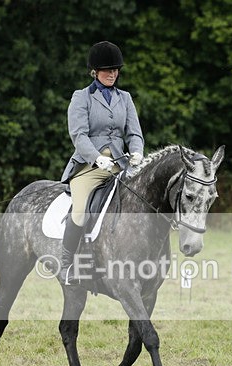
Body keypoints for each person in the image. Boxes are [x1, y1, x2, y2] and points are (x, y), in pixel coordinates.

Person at [58, 40, 144, 285]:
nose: (113, 74)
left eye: (116, 70)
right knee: (81, 209)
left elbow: (134, 133)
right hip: (88, 167)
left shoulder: (125, 98)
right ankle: (67, 264)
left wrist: (137, 152)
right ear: (95, 71)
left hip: (120, 165)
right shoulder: (81, 97)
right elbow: (78, 135)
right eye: (108, 70)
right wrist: (96, 158)